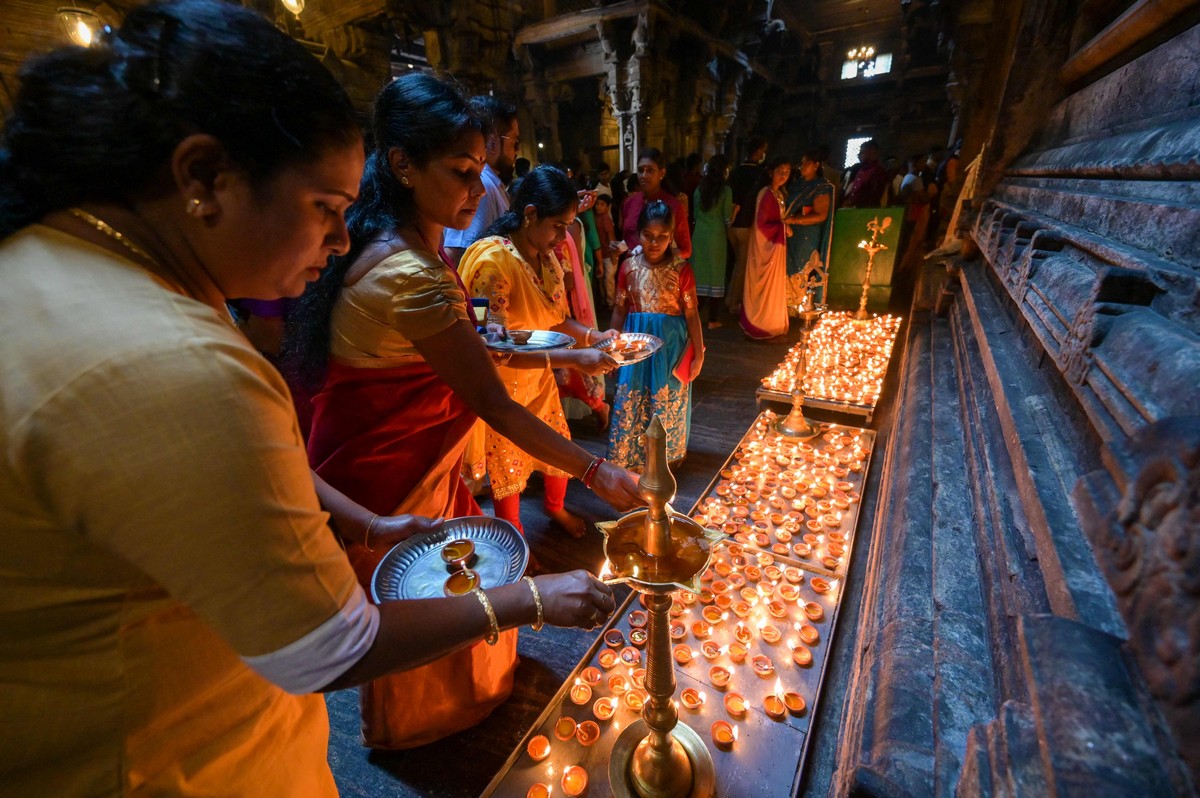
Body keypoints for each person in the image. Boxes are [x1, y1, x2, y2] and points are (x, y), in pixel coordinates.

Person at [0, 3, 617, 796]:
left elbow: (241, 470)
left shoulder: (61, 265)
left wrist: (363, 521)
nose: (336, 242)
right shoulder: (177, 362)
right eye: (324, 209)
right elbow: (331, 646)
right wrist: (532, 596)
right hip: (172, 758)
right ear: (203, 177)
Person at [287, 73, 636, 750]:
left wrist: (572, 359)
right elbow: (490, 399)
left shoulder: (397, 246)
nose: (480, 191)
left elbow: (481, 352)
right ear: (401, 165)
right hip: (395, 466)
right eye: (463, 171)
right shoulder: (410, 273)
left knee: (456, 579)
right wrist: (595, 471)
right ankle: (420, 725)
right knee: (430, 593)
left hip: (405, 457)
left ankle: (460, 701)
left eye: (482, 169)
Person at [459, 166, 621, 536]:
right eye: (559, 226)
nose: (564, 237)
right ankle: (514, 535)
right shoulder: (491, 264)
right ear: (530, 214)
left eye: (568, 226)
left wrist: (594, 336)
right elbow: (493, 346)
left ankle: (554, 508)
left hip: (539, 379)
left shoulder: (546, 257)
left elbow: (557, 321)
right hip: (503, 389)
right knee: (509, 465)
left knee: (558, 446)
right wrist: (575, 359)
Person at [608, 200, 704, 468]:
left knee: (665, 395)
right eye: (648, 236)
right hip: (635, 343)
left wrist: (698, 353)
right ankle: (629, 455)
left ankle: (664, 457)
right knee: (632, 393)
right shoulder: (628, 268)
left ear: (671, 237)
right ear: (638, 235)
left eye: (662, 237)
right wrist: (610, 347)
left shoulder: (682, 269)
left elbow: (692, 314)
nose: (654, 242)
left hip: (669, 346)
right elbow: (619, 308)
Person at [443, 96, 519, 267]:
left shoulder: (493, 185)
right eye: (515, 142)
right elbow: (459, 254)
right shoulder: (484, 187)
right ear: (492, 143)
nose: (517, 151)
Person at [740, 155, 794, 341]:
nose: (784, 175)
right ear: (771, 172)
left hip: (775, 247)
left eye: (787, 172)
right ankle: (761, 324)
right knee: (763, 286)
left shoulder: (779, 194)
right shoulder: (766, 193)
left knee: (774, 286)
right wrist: (784, 227)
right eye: (780, 171)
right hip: (765, 247)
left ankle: (773, 324)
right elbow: (762, 224)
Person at [617, 148, 692, 259]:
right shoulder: (629, 202)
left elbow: (686, 250)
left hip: (660, 273)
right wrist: (617, 250)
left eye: (650, 170)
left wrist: (656, 258)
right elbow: (628, 241)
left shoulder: (674, 206)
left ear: (662, 173)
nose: (644, 175)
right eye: (640, 170)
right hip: (631, 271)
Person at [784, 149, 834, 307]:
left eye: (807, 162)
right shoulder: (795, 185)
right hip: (791, 232)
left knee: (802, 266)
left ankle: (802, 305)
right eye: (801, 163)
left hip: (807, 233)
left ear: (816, 165)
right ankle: (786, 304)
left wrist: (793, 220)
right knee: (787, 266)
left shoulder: (820, 186)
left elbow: (820, 215)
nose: (802, 166)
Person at [691, 153, 736, 328]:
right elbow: (726, 219)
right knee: (716, 275)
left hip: (700, 236)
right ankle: (712, 319)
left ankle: (692, 317)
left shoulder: (699, 189)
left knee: (699, 276)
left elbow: (695, 216)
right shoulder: (726, 191)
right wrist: (735, 212)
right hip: (716, 237)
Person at [726, 135, 768, 312]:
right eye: (763, 150)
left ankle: (734, 298)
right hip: (747, 222)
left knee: (736, 261)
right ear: (758, 151)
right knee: (742, 264)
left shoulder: (735, 172)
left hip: (731, 223)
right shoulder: (760, 174)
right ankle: (732, 301)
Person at [843, 139, 888, 208]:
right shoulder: (860, 170)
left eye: (862, 152)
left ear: (872, 153)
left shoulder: (877, 172)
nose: (859, 155)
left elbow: (874, 197)